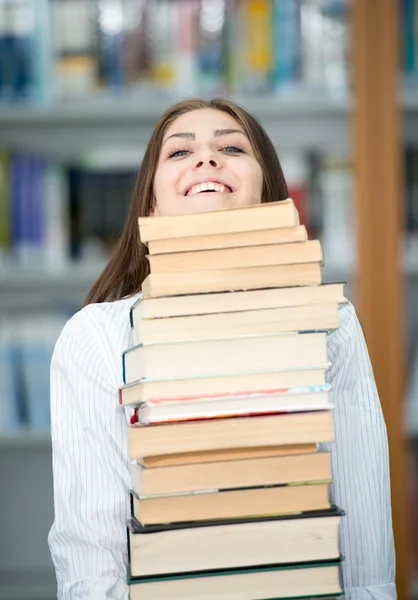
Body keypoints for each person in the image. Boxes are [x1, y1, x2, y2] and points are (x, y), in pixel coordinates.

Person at [48, 98, 396, 599]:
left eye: (231, 147)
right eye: (179, 152)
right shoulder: (94, 337)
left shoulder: (331, 325)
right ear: (150, 206)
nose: (207, 159)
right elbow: (89, 547)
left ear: (268, 196)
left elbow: (363, 514)